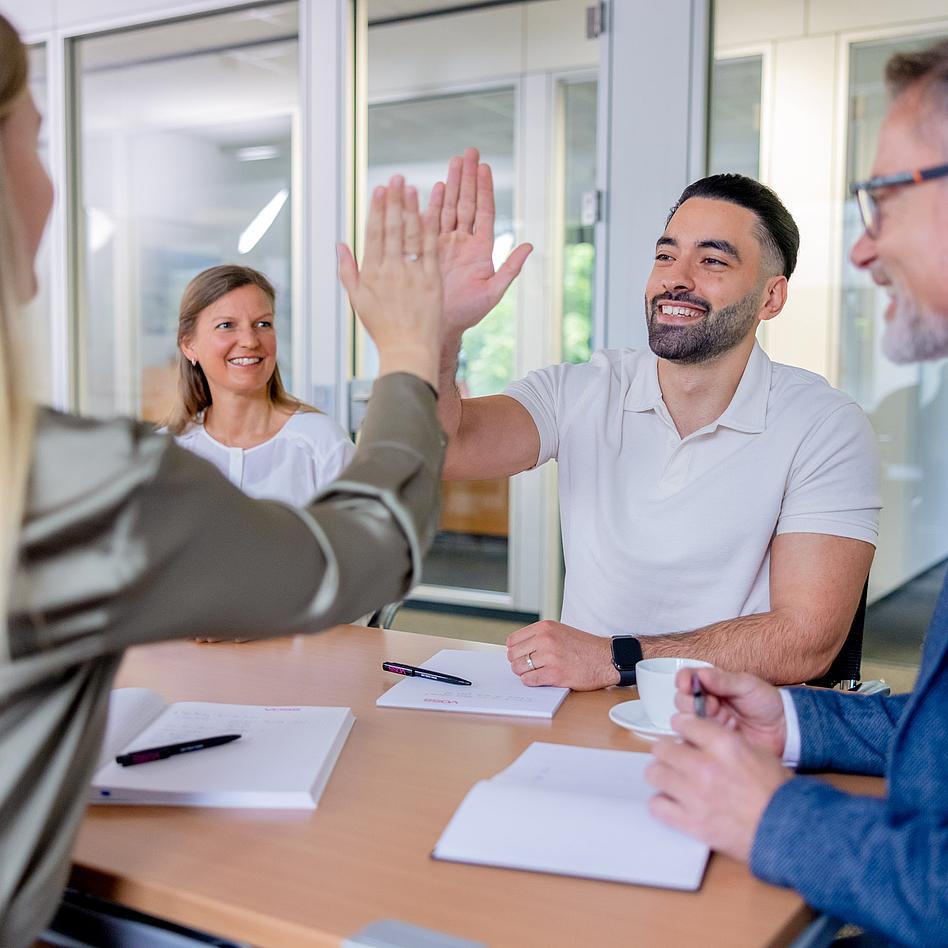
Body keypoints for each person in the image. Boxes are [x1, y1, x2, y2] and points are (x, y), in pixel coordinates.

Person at [0, 14, 445, 947]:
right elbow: (363, 550)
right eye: (36, 142)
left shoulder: (155, 465)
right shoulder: (84, 480)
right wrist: (411, 351)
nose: (250, 341)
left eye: (264, 323)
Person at [646, 39, 948, 946]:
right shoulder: (590, 386)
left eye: (885, 197)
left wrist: (774, 817)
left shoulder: (822, 421)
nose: (863, 245)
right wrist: (799, 721)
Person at [432, 151, 880, 691]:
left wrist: (615, 658)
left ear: (771, 297)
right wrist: (440, 331)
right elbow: (446, 448)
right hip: (580, 716)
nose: (677, 280)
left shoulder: (825, 425)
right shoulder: (581, 390)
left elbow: (806, 640)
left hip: (730, 729)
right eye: (665, 257)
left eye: (713, 261)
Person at [167, 264, 354, 506]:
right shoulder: (168, 453)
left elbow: (358, 541)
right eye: (226, 325)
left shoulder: (322, 444)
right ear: (189, 345)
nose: (249, 341)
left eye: (263, 324)